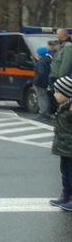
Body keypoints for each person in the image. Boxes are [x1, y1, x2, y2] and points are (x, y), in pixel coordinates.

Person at [48, 76, 72, 211]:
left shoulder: (70, 109)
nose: (55, 94)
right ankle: (66, 194)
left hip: (70, 147)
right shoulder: (64, 106)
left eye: (58, 92)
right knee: (65, 172)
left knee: (71, 172)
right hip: (64, 147)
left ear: (67, 93)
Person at [35, 44, 55, 120]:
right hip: (47, 82)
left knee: (41, 97)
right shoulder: (49, 60)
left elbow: (40, 73)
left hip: (40, 83)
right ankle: (47, 112)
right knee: (46, 97)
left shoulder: (41, 62)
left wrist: (36, 82)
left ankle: (42, 113)